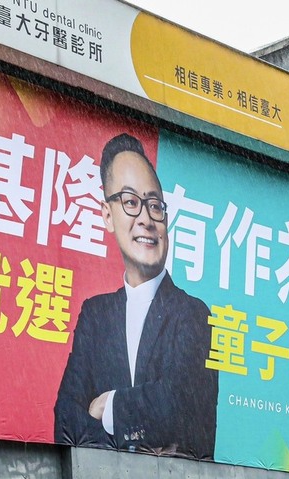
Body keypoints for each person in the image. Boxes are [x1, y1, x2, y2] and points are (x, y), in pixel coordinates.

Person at [53, 133, 218, 459]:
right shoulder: (96, 315)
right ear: (107, 214)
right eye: (130, 202)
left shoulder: (193, 314)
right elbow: (65, 422)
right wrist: (141, 436)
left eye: (155, 206)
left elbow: (179, 407)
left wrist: (108, 405)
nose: (146, 218)